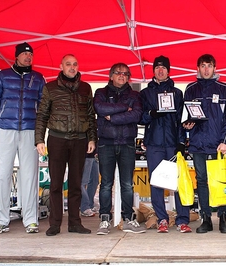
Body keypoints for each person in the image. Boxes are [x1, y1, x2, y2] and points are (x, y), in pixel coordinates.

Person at [35, 54, 97, 236]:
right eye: (68, 64)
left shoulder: (86, 88)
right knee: (55, 184)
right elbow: (42, 115)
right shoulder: (50, 88)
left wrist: (92, 138)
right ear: (61, 66)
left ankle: (74, 223)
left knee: (77, 184)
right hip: (57, 139)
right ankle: (54, 224)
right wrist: (39, 139)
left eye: (75, 64)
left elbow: (91, 116)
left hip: (80, 140)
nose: (72, 67)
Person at [0, 42, 46, 234]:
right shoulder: (3, 75)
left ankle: (30, 219)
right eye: (24, 54)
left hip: (30, 130)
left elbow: (43, 104)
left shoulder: (38, 78)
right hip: (7, 129)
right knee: (4, 174)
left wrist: (39, 130)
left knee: (30, 175)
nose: (28, 57)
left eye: (30, 55)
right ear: (16, 56)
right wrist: (3, 121)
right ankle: (0, 220)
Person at [183, 54, 226, 234]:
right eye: (203, 66)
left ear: (214, 68)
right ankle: (205, 219)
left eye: (209, 66)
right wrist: (186, 125)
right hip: (197, 145)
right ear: (197, 68)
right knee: (202, 181)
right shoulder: (190, 89)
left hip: (217, 146)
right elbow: (185, 117)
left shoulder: (224, 89)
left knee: (219, 181)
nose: (206, 69)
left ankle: (222, 217)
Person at [139, 55, 191, 233]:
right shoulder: (145, 93)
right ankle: (162, 218)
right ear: (153, 70)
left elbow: (181, 119)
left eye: (163, 68)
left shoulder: (177, 93)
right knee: (156, 182)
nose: (160, 71)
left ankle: (182, 219)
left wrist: (181, 142)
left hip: (172, 142)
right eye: (157, 68)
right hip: (154, 143)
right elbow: (140, 117)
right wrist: (151, 113)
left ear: (168, 71)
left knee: (178, 182)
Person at [93, 62, 146, 235]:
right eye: (118, 73)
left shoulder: (135, 95)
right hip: (106, 143)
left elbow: (136, 115)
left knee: (127, 184)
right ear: (111, 75)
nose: (122, 76)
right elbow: (100, 108)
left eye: (125, 73)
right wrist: (124, 108)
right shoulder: (100, 93)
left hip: (127, 143)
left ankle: (129, 219)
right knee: (106, 184)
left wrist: (112, 117)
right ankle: (104, 219)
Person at [80, 146, 99, 217]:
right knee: (83, 182)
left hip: (94, 154)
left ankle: (90, 204)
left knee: (95, 180)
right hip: (85, 153)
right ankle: (85, 207)